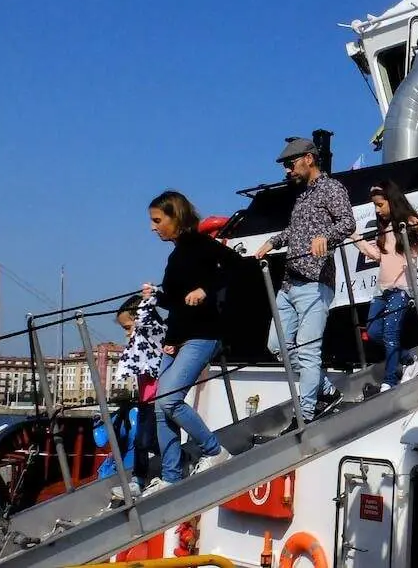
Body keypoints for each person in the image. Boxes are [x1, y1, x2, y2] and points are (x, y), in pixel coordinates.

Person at [142, 190, 240, 495]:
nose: (153, 227)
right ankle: (171, 476)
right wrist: (157, 295)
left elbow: (236, 267)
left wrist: (205, 290)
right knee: (160, 408)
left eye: (157, 220)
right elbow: (174, 300)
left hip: (203, 335)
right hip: (178, 338)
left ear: (176, 217)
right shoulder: (175, 255)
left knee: (169, 400)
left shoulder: (199, 244)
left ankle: (215, 451)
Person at [254, 137, 355, 432]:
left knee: (308, 352)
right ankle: (325, 390)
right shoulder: (301, 197)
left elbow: (347, 223)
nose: (287, 170)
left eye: (290, 163)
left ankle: (307, 414)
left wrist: (328, 238)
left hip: (315, 282)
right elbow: (294, 230)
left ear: (308, 159)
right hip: (289, 284)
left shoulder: (332, 188)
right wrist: (274, 240)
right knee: (277, 345)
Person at [350, 181, 418, 392]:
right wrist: (355, 237)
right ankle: (410, 360)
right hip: (382, 289)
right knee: (374, 332)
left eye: (380, 204)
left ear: (391, 202)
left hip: (401, 289)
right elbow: (378, 255)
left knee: (391, 333)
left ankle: (390, 380)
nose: (377, 210)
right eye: (375, 205)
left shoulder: (409, 223)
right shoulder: (383, 228)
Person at [108, 295, 163, 501]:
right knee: (145, 440)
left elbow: (147, 324)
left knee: (145, 440)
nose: (127, 333)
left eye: (128, 327)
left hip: (156, 398)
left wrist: (148, 301)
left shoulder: (151, 338)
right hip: (146, 399)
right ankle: (139, 479)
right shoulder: (139, 345)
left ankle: (139, 481)